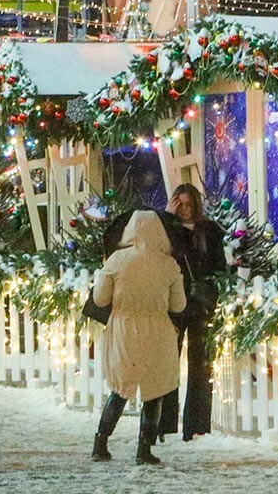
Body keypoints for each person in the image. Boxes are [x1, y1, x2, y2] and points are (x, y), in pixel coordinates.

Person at [90, 209, 187, 466]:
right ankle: (144, 450)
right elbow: (178, 305)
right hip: (158, 330)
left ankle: (101, 443)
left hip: (124, 328)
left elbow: (100, 299)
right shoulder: (169, 264)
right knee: (154, 391)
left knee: (120, 388)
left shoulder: (117, 260)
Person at [164, 182, 227, 441]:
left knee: (201, 365)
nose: (186, 210)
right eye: (181, 204)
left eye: (190, 204)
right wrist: (168, 216)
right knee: (168, 365)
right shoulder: (167, 230)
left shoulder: (210, 231)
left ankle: (197, 425)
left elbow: (219, 265)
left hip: (201, 303)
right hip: (175, 302)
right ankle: (164, 425)